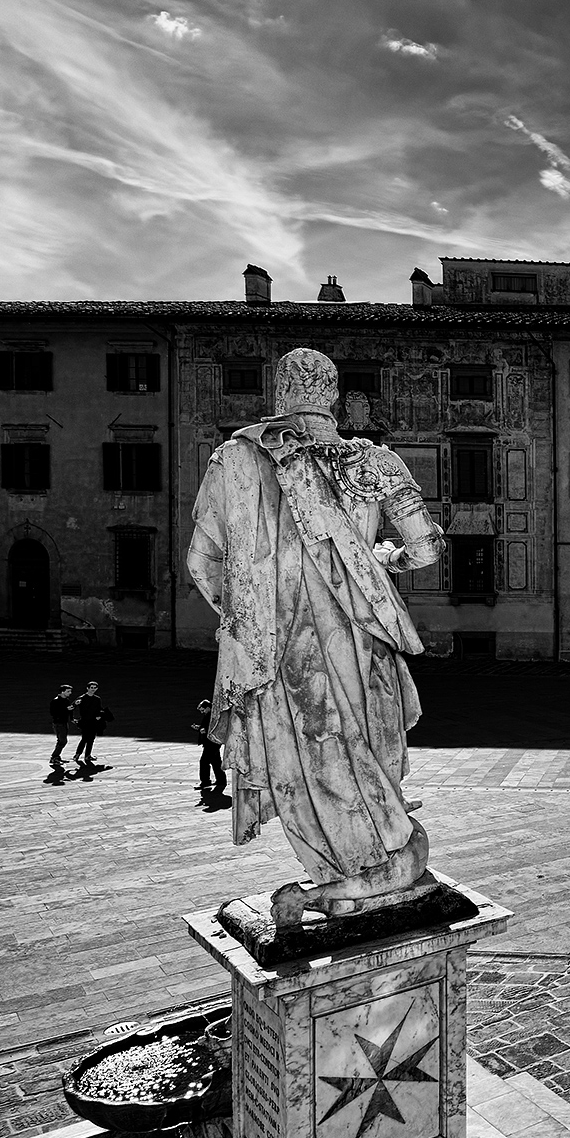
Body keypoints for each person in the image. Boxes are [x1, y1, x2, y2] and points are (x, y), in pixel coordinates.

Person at [188, 348, 446, 922]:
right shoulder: (376, 463)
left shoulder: (235, 459)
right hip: (361, 642)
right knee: (368, 752)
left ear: (282, 395)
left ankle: (342, 873)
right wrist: (383, 563)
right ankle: (378, 864)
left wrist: (251, 614)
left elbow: (203, 563)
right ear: (332, 396)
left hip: (279, 653)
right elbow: (426, 549)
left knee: (304, 755)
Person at [72, 681, 112, 768]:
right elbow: (72, 706)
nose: (93, 690)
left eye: (95, 688)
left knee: (91, 739)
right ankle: (78, 754)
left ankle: (87, 755)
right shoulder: (82, 698)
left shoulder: (97, 699)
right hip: (85, 721)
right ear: (87, 688)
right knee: (84, 738)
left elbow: (98, 709)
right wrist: (73, 715)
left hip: (94, 721)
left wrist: (100, 715)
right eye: (91, 688)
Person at [193, 698, 225, 797]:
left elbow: (213, 727)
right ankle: (221, 780)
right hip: (213, 743)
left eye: (203, 710)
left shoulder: (212, 716)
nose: (202, 712)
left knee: (204, 762)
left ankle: (205, 781)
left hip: (211, 743)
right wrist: (199, 728)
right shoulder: (212, 714)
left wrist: (203, 730)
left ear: (207, 708)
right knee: (216, 762)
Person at [48, 684, 74, 771]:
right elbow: (54, 713)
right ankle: (54, 757)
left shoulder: (66, 700)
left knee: (61, 740)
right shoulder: (55, 701)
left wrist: (72, 718)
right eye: (68, 691)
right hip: (58, 723)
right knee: (63, 740)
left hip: (64, 722)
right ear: (62, 692)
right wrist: (66, 709)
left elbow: (68, 710)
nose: (70, 693)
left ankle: (57, 757)